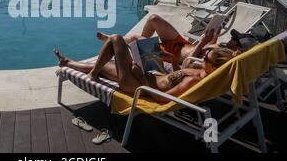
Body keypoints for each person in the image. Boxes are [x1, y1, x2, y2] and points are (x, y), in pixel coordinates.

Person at [54, 38, 236, 104]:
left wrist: (141, 77)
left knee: (116, 40)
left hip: (138, 86)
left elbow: (162, 98)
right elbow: (173, 77)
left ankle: (92, 72)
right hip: (148, 77)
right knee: (105, 69)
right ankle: (68, 63)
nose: (203, 59)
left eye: (207, 59)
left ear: (216, 67)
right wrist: (172, 61)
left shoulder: (194, 81)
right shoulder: (199, 72)